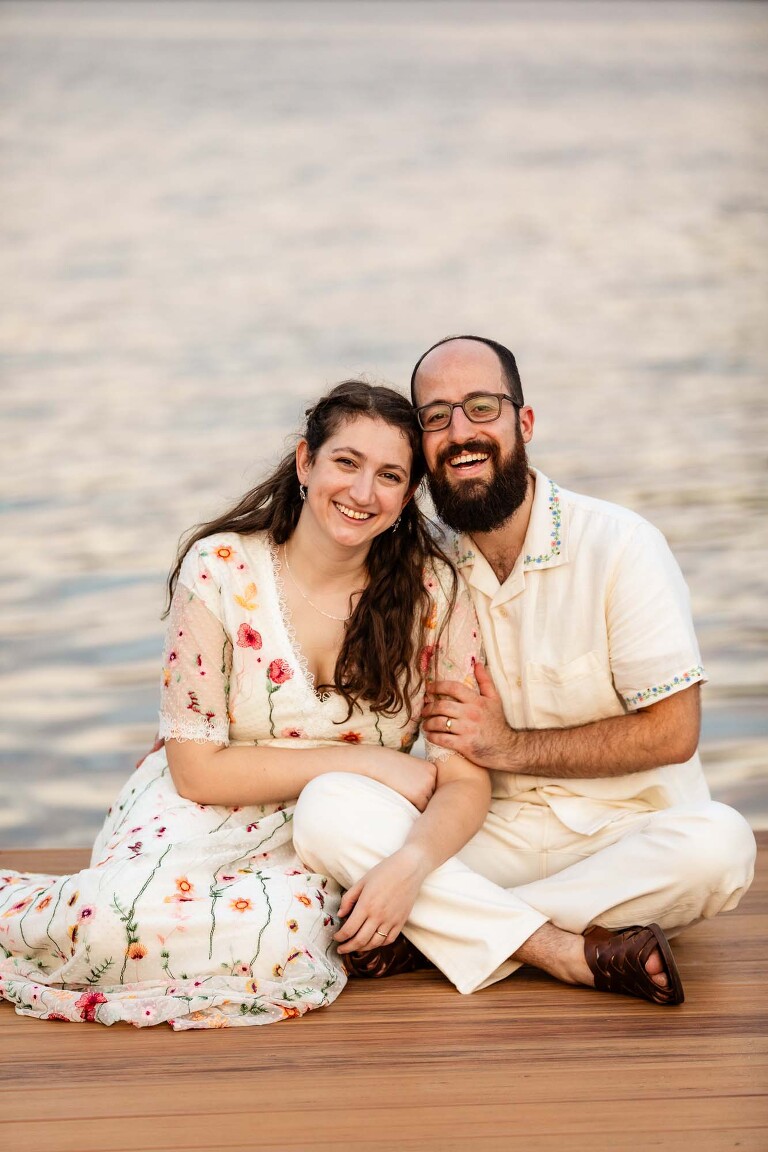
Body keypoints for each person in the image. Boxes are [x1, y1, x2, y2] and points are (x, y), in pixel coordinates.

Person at [0, 380, 489, 1029]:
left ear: (407, 495)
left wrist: (412, 863)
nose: (363, 492)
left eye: (390, 475)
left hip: (326, 830)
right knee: (116, 919)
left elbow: (461, 777)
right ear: (305, 462)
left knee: (274, 937)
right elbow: (195, 770)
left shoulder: (435, 590)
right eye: (346, 462)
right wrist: (372, 762)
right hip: (200, 803)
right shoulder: (219, 569)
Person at [293, 336, 757, 1006]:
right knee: (328, 812)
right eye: (436, 417)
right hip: (484, 834)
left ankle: (436, 931)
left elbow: (673, 733)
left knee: (721, 847)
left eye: (482, 407)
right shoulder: (420, 569)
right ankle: (557, 949)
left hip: (624, 833)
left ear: (525, 422)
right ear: (422, 448)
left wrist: (509, 745)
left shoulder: (620, 546)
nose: (461, 433)